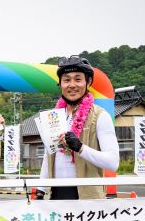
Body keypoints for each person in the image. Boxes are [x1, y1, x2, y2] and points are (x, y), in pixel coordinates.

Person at [36, 56, 119, 200]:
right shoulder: (54, 116)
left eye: (78, 79)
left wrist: (80, 148)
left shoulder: (100, 116)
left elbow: (113, 162)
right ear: (60, 84)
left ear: (88, 82)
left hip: (87, 197)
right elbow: (48, 156)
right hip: (55, 194)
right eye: (66, 80)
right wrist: (40, 190)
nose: (72, 85)